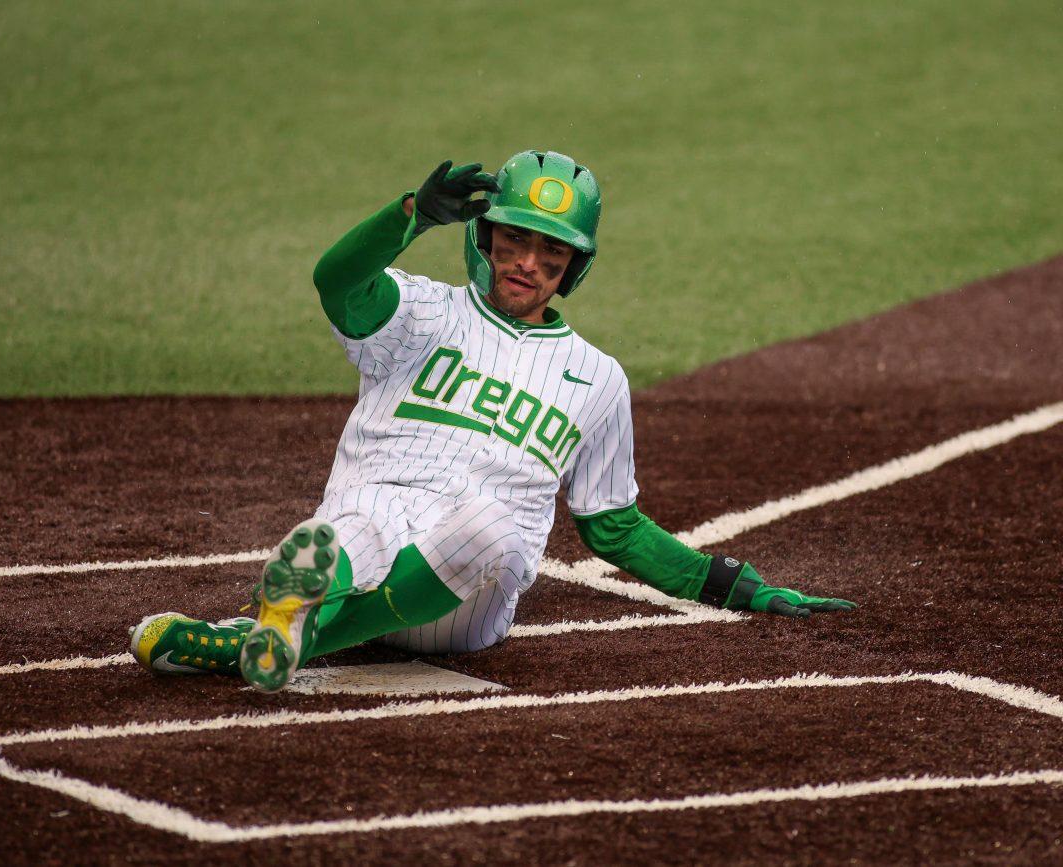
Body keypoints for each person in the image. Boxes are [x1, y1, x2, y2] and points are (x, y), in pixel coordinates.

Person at [128, 151, 856, 692]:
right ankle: (287, 622)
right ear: (485, 236)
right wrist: (407, 217)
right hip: (369, 535)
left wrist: (733, 583)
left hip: (464, 602)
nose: (528, 263)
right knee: (353, 522)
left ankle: (285, 631)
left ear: (574, 266)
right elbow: (336, 282)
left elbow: (615, 527)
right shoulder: (418, 312)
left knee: (490, 526)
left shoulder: (598, 379)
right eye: (515, 239)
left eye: (551, 251)